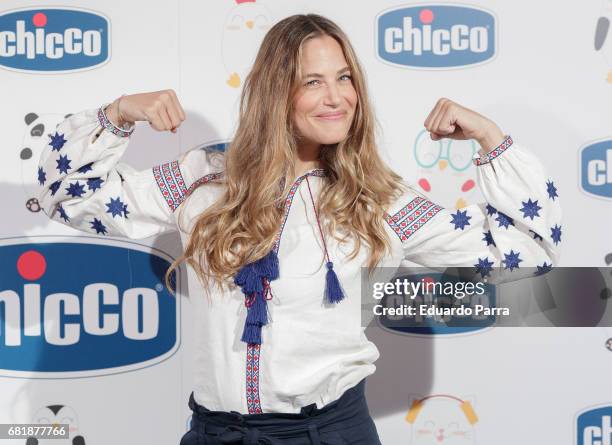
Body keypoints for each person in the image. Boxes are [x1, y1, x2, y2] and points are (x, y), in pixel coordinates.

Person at [37, 13, 561, 445]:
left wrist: (491, 139)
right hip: (215, 434)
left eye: (344, 78)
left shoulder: (376, 197)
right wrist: (119, 113)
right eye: (313, 81)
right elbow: (66, 195)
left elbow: (527, 250)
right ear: (276, 91)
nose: (336, 97)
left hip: (328, 433)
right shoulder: (206, 174)